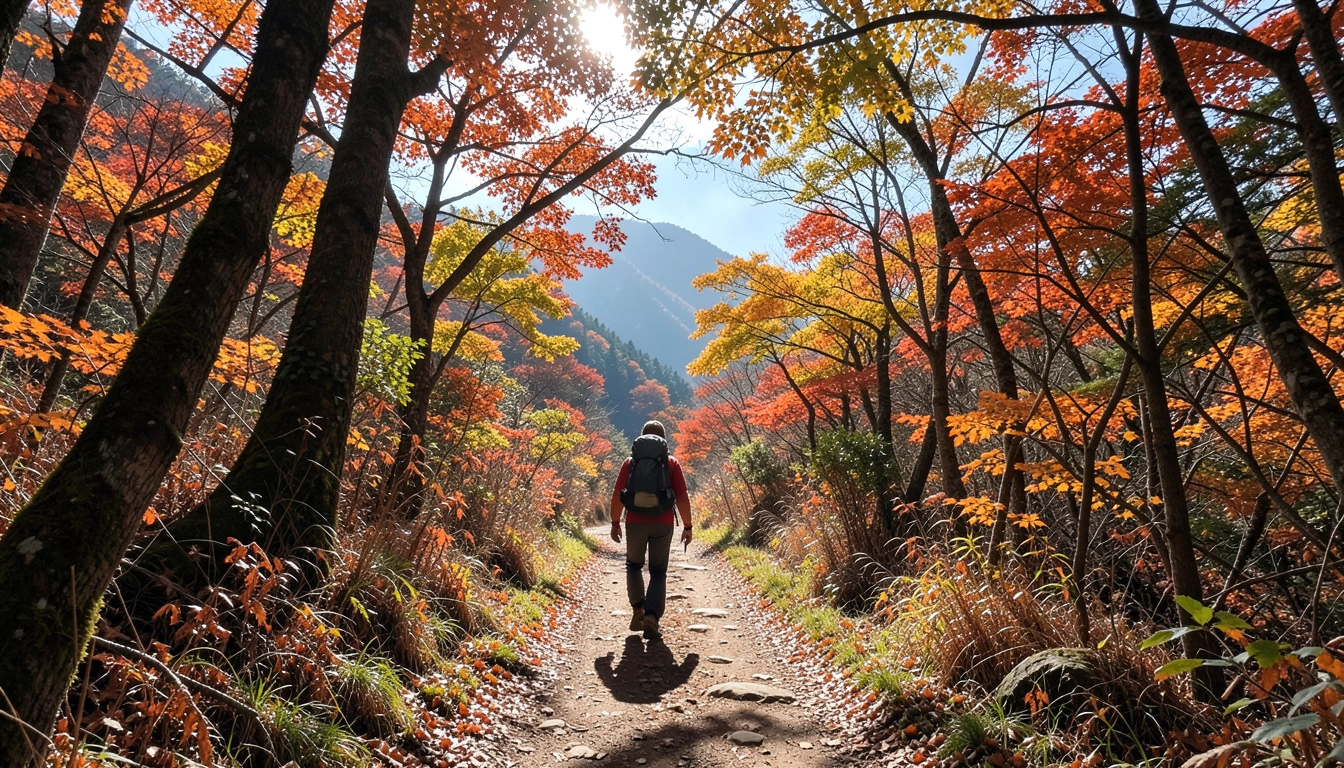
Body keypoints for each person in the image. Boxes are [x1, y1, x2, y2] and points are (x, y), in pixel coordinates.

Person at [610, 420, 692, 640]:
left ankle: (638, 611)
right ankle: (652, 617)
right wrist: (688, 526)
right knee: (658, 571)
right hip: (663, 522)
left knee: (633, 565)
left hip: (634, 521)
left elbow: (618, 493)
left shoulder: (630, 462)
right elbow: (682, 497)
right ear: (663, 439)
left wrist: (615, 522)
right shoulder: (671, 462)